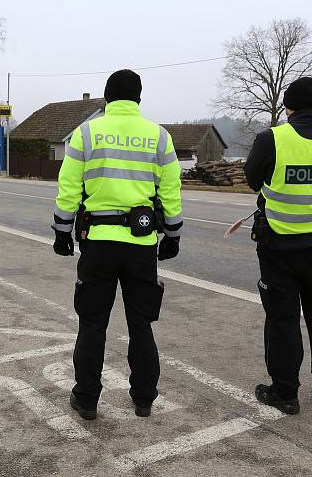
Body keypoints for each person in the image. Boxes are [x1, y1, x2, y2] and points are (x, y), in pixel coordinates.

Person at [51, 69, 183, 420]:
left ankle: (87, 400)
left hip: (98, 243)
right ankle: (143, 399)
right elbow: (170, 191)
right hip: (141, 245)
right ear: (139, 98)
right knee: (141, 324)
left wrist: (62, 231)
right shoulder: (158, 137)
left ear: (107, 99)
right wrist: (173, 234)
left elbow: (68, 188)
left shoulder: (86, 133)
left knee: (92, 324)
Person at [244, 77, 312, 415]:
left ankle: (285, 392)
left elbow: (252, 180)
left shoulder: (272, 138)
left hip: (280, 246)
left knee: (283, 318)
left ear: (288, 105)